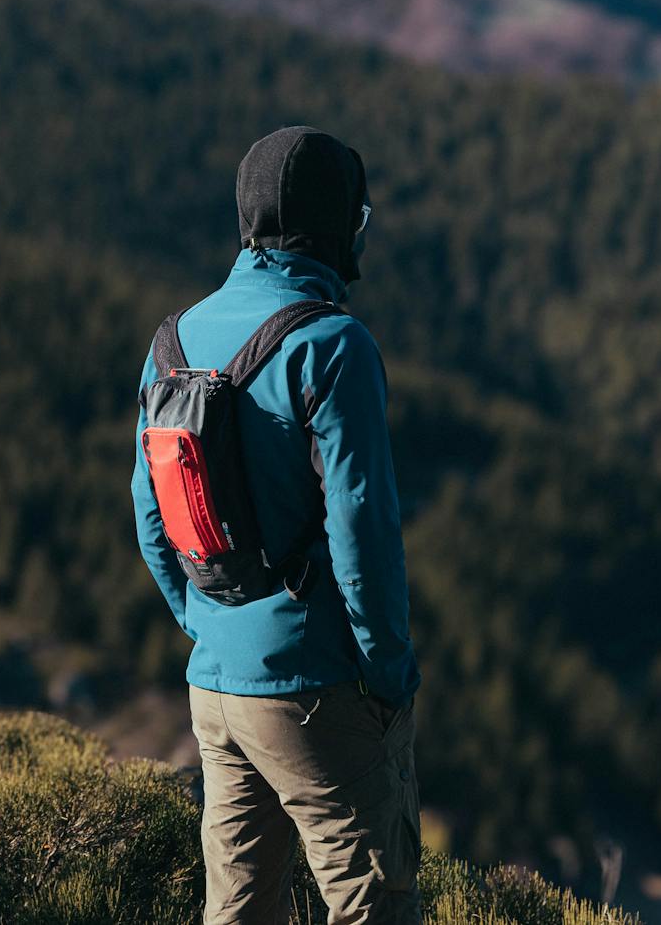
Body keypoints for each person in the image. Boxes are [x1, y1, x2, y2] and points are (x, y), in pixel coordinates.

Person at [131, 125, 422, 924]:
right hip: (317, 688)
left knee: (238, 910)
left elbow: (151, 518)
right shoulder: (334, 346)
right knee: (374, 903)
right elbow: (363, 529)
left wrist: (204, 624)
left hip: (215, 686)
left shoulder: (173, 343)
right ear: (342, 228)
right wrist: (388, 673)